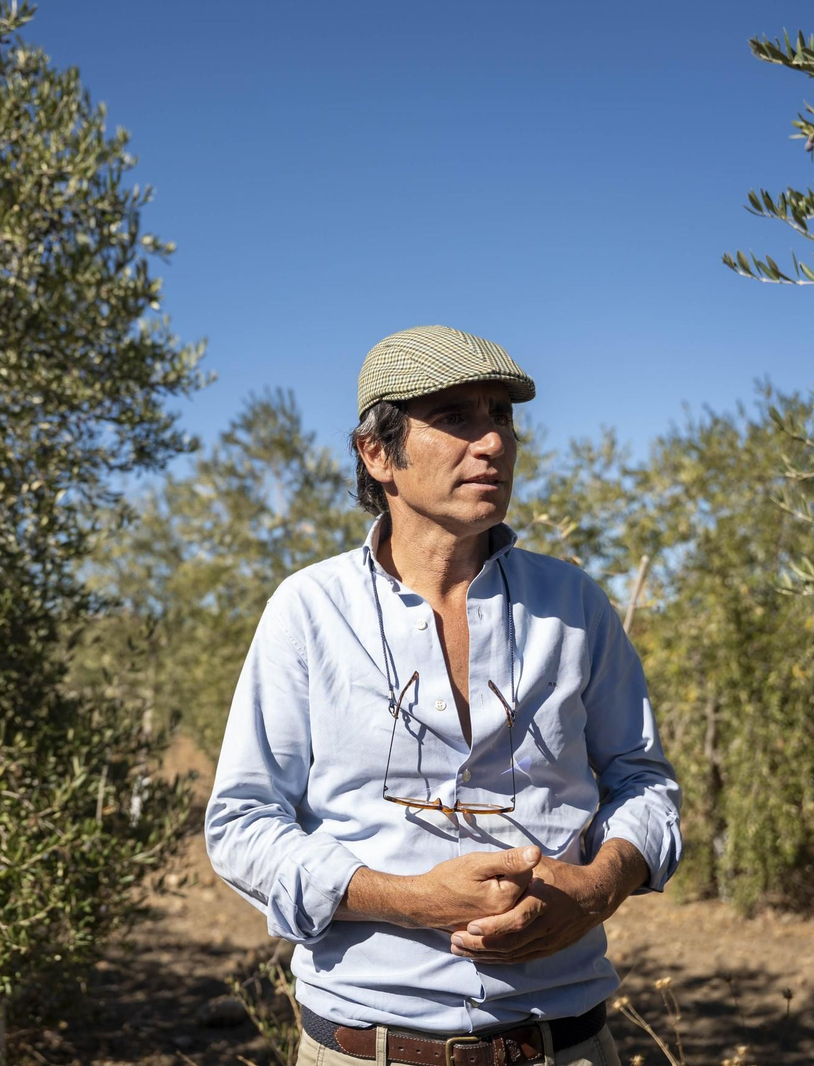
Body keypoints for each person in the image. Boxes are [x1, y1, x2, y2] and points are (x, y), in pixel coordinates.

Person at [205, 325, 683, 1066]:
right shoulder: (309, 611)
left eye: (503, 417)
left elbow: (644, 781)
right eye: (457, 417)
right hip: (367, 1046)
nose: (492, 442)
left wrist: (599, 886)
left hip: (565, 1040)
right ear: (376, 453)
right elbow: (240, 825)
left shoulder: (574, 604)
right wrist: (405, 897)